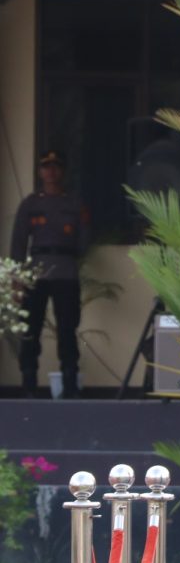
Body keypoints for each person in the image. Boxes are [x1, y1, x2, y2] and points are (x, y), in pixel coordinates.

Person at [10, 149, 90, 398]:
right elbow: (19, 243)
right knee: (31, 329)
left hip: (66, 272)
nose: (50, 172)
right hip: (37, 273)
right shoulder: (31, 204)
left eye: (55, 166)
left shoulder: (74, 204)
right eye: (46, 166)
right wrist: (17, 278)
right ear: (40, 171)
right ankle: (29, 381)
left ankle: (69, 383)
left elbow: (84, 240)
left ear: (63, 171)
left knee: (67, 329)